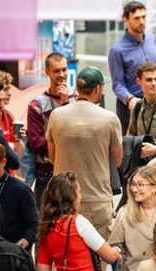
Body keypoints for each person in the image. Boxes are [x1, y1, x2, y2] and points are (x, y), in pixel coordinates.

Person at [46, 67, 123, 240]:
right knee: (98, 258)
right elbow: (118, 160)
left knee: (65, 251)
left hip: (63, 196)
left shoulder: (56, 115)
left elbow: (53, 157)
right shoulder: (109, 118)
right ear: (98, 89)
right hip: (97, 198)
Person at [26, 53, 75, 204]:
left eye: (64, 70)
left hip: (72, 170)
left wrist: (67, 102)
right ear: (47, 71)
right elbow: (35, 143)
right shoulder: (36, 105)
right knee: (44, 220)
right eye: (56, 71)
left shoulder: (77, 100)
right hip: (46, 172)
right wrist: (63, 141)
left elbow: (78, 134)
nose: (61, 75)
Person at [109, 1, 156, 134]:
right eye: (137, 18)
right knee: (130, 149)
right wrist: (130, 99)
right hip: (131, 105)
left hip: (154, 100)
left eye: (144, 17)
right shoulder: (117, 50)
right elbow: (117, 84)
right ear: (125, 20)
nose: (142, 21)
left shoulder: (152, 39)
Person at [127, 62, 156, 158]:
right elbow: (130, 135)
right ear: (139, 81)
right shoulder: (137, 106)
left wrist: (155, 150)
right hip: (141, 165)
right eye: (149, 80)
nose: (154, 83)